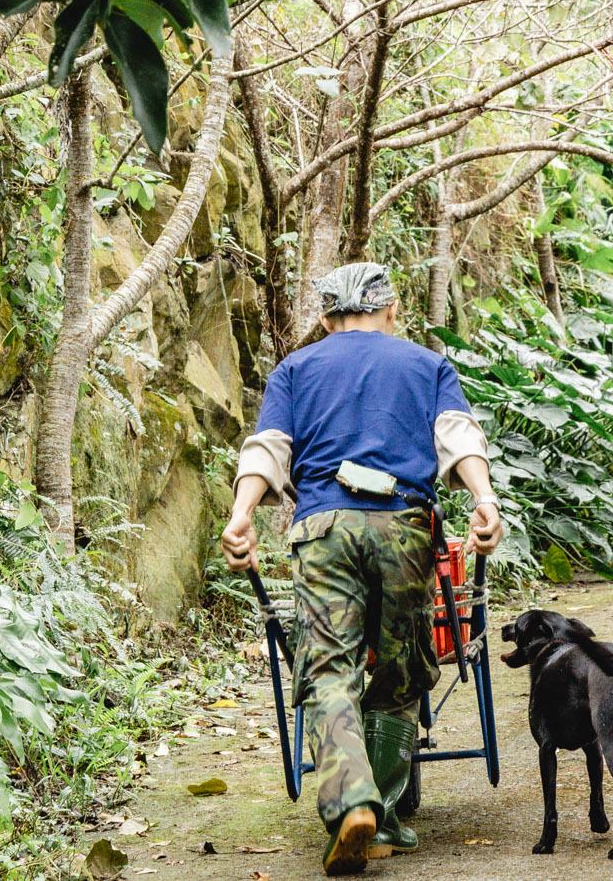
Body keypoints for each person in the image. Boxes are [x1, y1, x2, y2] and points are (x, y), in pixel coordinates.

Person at [221, 261, 503, 876]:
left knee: (328, 668)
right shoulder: (427, 365)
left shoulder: (295, 369)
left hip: (323, 528)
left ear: (326, 318)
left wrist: (241, 515)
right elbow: (458, 437)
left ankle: (352, 800)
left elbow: (269, 449)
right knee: (400, 668)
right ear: (392, 311)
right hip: (404, 528)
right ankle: (388, 820)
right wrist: (485, 501)